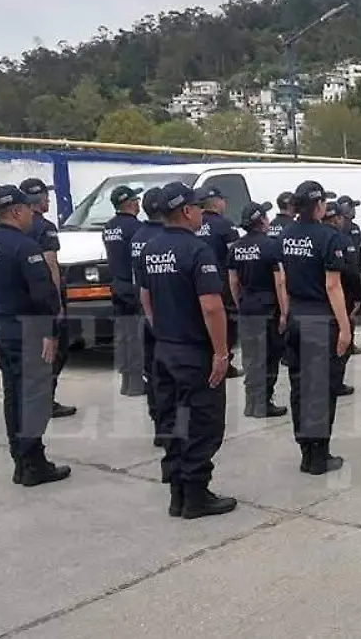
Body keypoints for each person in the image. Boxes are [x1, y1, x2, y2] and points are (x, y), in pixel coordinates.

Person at [140, 181, 236, 519]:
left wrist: (164, 328)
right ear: (186, 211)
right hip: (194, 353)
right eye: (198, 207)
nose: (201, 213)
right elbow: (211, 307)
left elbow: (146, 299)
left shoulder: (150, 249)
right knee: (202, 422)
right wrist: (221, 353)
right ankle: (196, 496)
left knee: (172, 421)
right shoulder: (197, 250)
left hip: (164, 350)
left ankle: (178, 493)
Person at [0, 184, 69, 486]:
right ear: (15, 211)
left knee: (14, 395)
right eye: (27, 208)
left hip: (3, 326)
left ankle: (21, 459)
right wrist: (51, 332)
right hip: (28, 330)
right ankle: (33, 464)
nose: (32, 213)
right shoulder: (25, 246)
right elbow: (43, 295)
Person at [281, 181, 353, 474]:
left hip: (297, 315)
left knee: (300, 386)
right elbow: (332, 285)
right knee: (321, 388)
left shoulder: (286, 235)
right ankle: (320, 456)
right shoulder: (329, 237)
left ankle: (306, 451)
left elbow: (284, 280)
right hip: (321, 318)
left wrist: (286, 315)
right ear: (320, 205)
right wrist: (345, 329)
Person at [18, 178, 77, 418]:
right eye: (46, 196)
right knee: (55, 351)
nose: (49, 200)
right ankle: (45, 401)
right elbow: (51, 265)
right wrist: (57, 305)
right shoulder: (45, 227)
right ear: (40, 199)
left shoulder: (18, 227)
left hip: (23, 300)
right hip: (44, 299)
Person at [228, 201, 289, 419]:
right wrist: (284, 312)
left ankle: (251, 403)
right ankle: (264, 403)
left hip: (247, 307)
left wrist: (240, 303)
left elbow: (233, 281)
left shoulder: (236, 247)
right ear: (261, 220)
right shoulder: (271, 245)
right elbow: (279, 282)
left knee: (252, 358)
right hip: (268, 308)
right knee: (270, 357)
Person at [130, 187, 167, 446]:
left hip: (144, 313)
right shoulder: (165, 239)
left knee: (152, 373)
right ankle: (171, 426)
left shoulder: (137, 236)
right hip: (168, 317)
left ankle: (159, 425)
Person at [103, 185, 146, 396]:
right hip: (132, 284)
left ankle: (126, 380)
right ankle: (137, 382)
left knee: (123, 334)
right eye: (136, 200)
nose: (138, 203)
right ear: (130, 203)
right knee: (136, 334)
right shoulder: (136, 228)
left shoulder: (109, 227)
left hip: (116, 284)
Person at [196, 186, 242, 378]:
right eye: (223, 199)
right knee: (227, 323)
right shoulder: (225, 225)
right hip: (221, 282)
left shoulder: (193, 224)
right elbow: (236, 257)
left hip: (197, 282)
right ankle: (225, 361)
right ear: (216, 202)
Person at [323, 201, 360, 396]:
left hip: (317, 299)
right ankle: (335, 383)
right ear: (337, 218)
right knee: (341, 340)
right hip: (340, 296)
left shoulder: (315, 237)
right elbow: (353, 273)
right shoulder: (341, 240)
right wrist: (358, 297)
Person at [336, 195, 361, 359]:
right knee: (351, 309)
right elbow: (354, 253)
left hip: (337, 275)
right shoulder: (353, 228)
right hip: (349, 275)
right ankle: (349, 343)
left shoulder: (336, 228)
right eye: (352, 207)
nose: (355, 210)